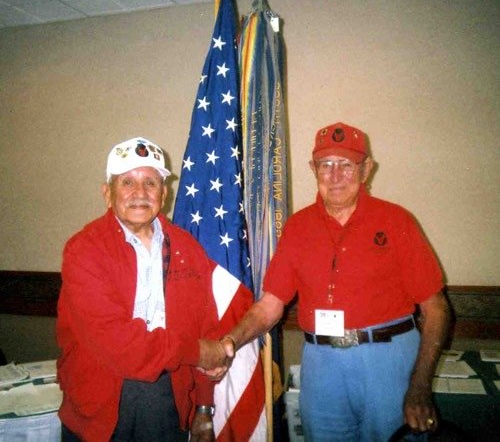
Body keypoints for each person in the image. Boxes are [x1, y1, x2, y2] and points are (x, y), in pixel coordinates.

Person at [223, 123, 451, 441]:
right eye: (326, 164)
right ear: (313, 168)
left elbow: (436, 310)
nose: (335, 175)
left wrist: (421, 385)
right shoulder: (298, 227)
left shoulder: (397, 221)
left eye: (346, 164)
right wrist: (230, 341)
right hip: (322, 365)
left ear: (366, 169)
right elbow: (270, 305)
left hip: (388, 362)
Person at [56, 137, 230, 442]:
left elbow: (206, 326)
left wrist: (203, 406)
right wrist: (198, 353)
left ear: (164, 193)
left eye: (150, 183)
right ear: (107, 193)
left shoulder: (187, 248)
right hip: (98, 405)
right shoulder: (84, 250)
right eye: (127, 182)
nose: (140, 193)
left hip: (169, 397)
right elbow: (117, 343)